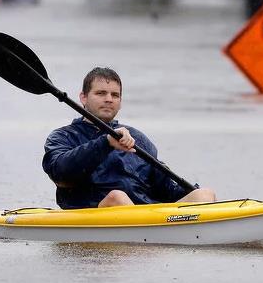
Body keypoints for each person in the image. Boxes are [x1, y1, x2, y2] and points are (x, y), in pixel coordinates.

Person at [42, 67, 216, 209]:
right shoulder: (62, 137)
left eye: (115, 95)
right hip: (98, 212)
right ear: (83, 98)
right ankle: (149, 244)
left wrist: (189, 193)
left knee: (204, 194)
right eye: (101, 93)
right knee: (117, 197)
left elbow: (164, 188)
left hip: (146, 214)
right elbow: (61, 174)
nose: (109, 99)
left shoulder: (137, 138)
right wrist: (106, 142)